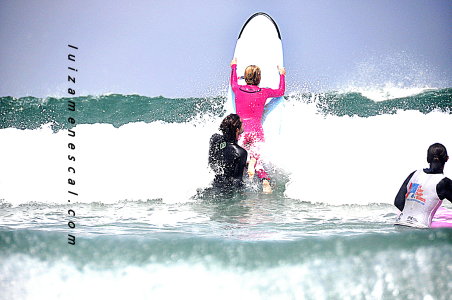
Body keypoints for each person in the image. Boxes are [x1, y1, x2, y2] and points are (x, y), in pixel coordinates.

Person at [230, 58, 286, 194]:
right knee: (257, 157)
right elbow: (280, 91)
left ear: (246, 78)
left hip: (241, 129)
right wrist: (282, 74)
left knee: (241, 156)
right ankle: (265, 181)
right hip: (256, 129)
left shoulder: (237, 89)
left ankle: (247, 166)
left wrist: (234, 67)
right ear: (259, 78)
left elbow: (233, 82)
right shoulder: (264, 91)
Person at [394, 143, 452, 228]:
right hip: (420, 229)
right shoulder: (444, 183)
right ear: (447, 159)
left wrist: (412, 216)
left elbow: (398, 202)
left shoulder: (414, 174)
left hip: (399, 224)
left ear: (428, 159)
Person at [208, 114, 247, 189]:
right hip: (226, 191)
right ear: (237, 130)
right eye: (242, 123)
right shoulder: (241, 153)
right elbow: (237, 182)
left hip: (213, 184)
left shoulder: (214, 138)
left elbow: (212, 162)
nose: (243, 124)